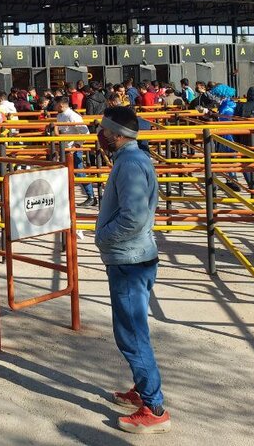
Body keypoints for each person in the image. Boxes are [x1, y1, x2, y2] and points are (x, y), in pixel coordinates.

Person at [94, 106, 170, 434]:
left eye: (103, 129)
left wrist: (103, 237)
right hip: (135, 257)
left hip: (129, 260)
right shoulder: (132, 159)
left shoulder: (129, 164)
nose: (100, 134)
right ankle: (143, 389)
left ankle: (154, 408)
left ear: (116, 133)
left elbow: (134, 217)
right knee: (134, 328)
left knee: (131, 333)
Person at [54, 96, 96, 207]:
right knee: (66, 172)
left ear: (60, 105)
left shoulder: (72, 116)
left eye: (55, 104)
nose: (54, 106)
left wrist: (76, 145)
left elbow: (85, 132)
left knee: (79, 172)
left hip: (73, 149)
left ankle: (91, 196)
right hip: (65, 148)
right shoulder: (60, 115)